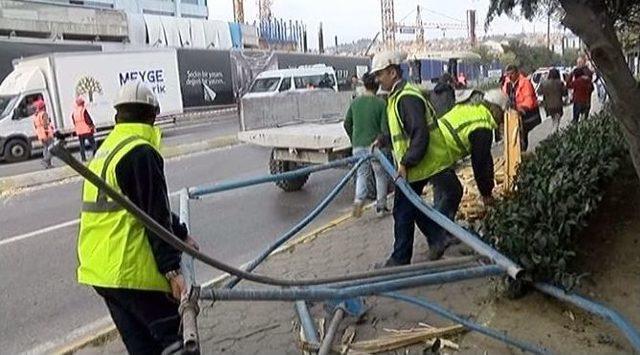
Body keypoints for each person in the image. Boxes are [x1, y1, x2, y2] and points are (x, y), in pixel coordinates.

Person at [76, 81, 199, 354]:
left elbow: (144, 204)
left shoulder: (108, 149)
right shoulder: (140, 152)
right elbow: (154, 216)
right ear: (152, 116)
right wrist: (173, 272)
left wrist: (180, 233)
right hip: (131, 270)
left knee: (141, 346)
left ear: (117, 116)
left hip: (101, 271)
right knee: (176, 340)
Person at [371, 51, 462, 265]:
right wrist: (384, 140)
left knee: (402, 211)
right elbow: (403, 132)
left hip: (423, 163)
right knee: (412, 206)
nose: (377, 80)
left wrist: (404, 163)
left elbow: (419, 133)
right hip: (421, 163)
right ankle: (437, 238)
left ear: (392, 72)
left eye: (380, 74)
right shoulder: (397, 96)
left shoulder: (406, 97)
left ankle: (400, 259)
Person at [437, 89, 508, 206]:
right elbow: (480, 163)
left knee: (443, 192)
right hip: (437, 153)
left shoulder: (474, 111)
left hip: (434, 145)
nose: (502, 119)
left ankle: (439, 218)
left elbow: (485, 158)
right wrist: (486, 194)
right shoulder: (482, 126)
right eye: (502, 114)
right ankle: (441, 223)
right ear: (496, 109)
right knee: (453, 192)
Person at [344, 72, 389, 218]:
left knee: (362, 174)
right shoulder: (381, 104)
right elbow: (384, 129)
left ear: (364, 85)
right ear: (377, 87)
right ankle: (381, 208)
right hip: (375, 147)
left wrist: (353, 138)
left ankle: (358, 207)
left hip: (358, 146)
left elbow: (347, 123)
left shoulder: (355, 102)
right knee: (380, 175)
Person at [502, 64, 541, 151]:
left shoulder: (525, 83)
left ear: (517, 73)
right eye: (508, 74)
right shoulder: (507, 83)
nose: (510, 76)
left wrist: (521, 109)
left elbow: (529, 99)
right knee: (515, 136)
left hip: (526, 115)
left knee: (524, 135)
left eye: (511, 74)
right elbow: (504, 96)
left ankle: (523, 152)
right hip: (513, 115)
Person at [72, 96, 97, 162]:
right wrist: (92, 126)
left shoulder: (74, 112)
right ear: (82, 103)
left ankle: (83, 158)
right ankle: (95, 156)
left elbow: (74, 121)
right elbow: (88, 120)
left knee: (82, 145)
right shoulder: (83, 110)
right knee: (93, 144)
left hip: (79, 131)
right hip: (86, 130)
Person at [32, 99, 54, 169]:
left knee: (45, 148)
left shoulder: (36, 115)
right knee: (52, 148)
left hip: (40, 133)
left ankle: (48, 165)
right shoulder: (44, 114)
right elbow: (45, 124)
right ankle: (45, 160)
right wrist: (47, 132)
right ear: (43, 106)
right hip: (46, 133)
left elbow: (35, 125)